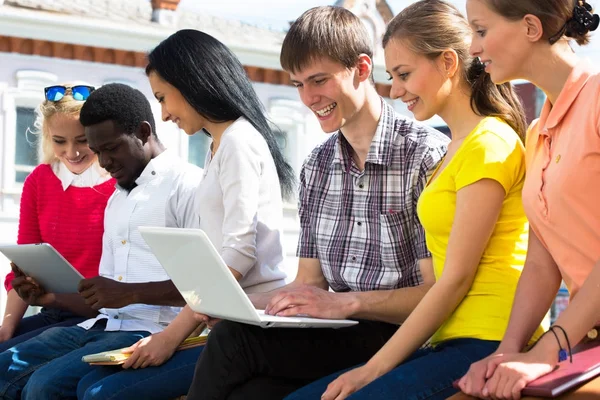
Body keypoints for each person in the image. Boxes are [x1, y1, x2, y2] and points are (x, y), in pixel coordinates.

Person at [186, 6, 450, 400]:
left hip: (402, 335)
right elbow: (309, 283)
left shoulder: (425, 156)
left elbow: (437, 291)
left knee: (233, 342)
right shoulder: (318, 165)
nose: (309, 98)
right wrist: (233, 302)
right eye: (298, 85)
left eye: (319, 80)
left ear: (362, 69)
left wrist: (343, 304)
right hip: (337, 332)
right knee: (249, 386)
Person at [286, 1, 545, 399]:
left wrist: (372, 370)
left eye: (405, 74)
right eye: (392, 76)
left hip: (485, 339)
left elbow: (453, 280)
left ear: (447, 63)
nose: (396, 90)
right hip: (447, 339)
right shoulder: (454, 151)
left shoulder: (488, 143)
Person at [74, 29, 294, 400]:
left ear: (191, 82)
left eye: (162, 97)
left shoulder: (239, 142)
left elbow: (239, 253)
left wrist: (171, 336)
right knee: (88, 385)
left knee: (102, 393)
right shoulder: (219, 144)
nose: (164, 113)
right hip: (219, 320)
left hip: (248, 325)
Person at [0, 83, 203, 400]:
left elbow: (203, 287)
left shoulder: (187, 185)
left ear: (142, 132)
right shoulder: (118, 198)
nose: (103, 162)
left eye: (109, 149)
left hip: (151, 329)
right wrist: (47, 296)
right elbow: (104, 299)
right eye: (99, 151)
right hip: (100, 324)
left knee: (44, 386)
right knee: (5, 367)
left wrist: (130, 292)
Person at [458, 0, 600, 398]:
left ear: (531, 28)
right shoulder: (536, 132)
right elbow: (541, 262)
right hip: (584, 343)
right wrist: (509, 351)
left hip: (574, 343)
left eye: (481, 31)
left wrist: (547, 350)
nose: (472, 47)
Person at [0, 84, 115, 353]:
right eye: (60, 141)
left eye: (82, 139)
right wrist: (7, 325)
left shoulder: (118, 185)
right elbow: (24, 270)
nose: (72, 152)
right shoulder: (39, 181)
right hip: (53, 313)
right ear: (47, 137)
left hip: (101, 318)